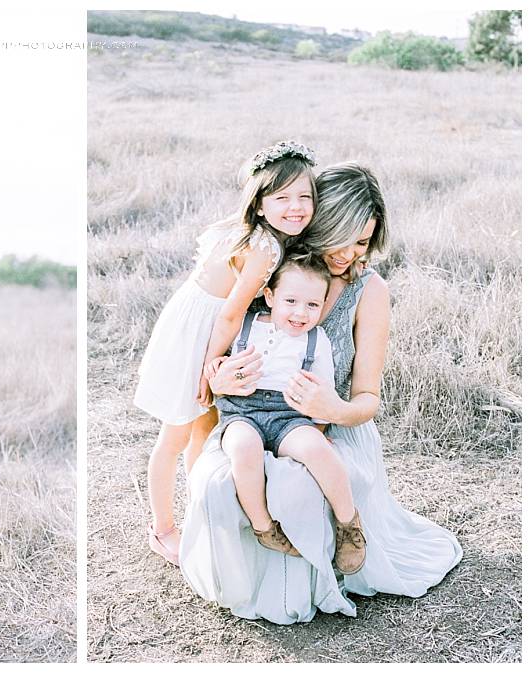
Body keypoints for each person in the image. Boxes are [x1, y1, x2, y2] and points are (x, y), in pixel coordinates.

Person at [180, 163, 463, 624]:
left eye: (363, 241)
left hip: (333, 424)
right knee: (221, 480)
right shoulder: (273, 269)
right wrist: (219, 377)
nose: (349, 253)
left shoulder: (369, 291)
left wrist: (333, 409)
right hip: (250, 416)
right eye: (340, 235)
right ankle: (242, 571)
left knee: (297, 486)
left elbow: (368, 397)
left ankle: (336, 556)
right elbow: (215, 334)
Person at [133, 140, 317, 565]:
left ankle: (202, 513)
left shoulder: (248, 231)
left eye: (304, 197)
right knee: (177, 432)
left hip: (197, 320)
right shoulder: (265, 247)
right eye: (282, 198)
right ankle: (162, 528)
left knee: (205, 428)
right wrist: (208, 368)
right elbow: (232, 314)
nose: (296, 207)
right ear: (260, 203)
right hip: (201, 332)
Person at [210, 251, 367, 574]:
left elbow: (322, 390)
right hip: (242, 412)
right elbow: (219, 365)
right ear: (269, 296)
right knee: (243, 447)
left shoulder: (316, 339)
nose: (300, 313)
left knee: (317, 451)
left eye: (312, 305)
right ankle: (264, 526)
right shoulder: (245, 325)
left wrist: (319, 430)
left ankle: (348, 523)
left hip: (289, 415)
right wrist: (217, 370)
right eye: (291, 301)